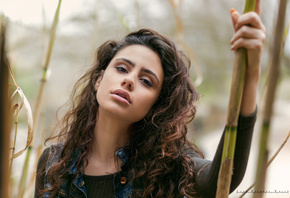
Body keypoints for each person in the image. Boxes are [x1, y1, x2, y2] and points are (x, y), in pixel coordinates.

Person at [35, 9, 266, 198]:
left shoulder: (168, 170)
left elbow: (221, 179)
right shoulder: (53, 164)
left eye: (146, 81)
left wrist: (250, 76)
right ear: (98, 80)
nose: (129, 80)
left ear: (157, 105)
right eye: (122, 68)